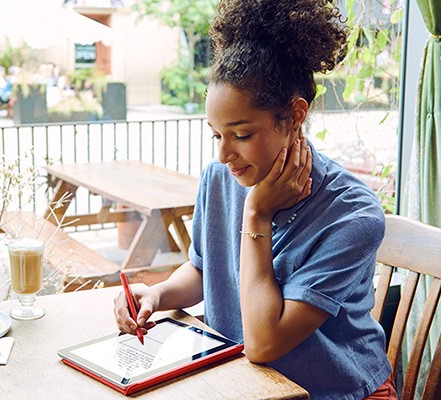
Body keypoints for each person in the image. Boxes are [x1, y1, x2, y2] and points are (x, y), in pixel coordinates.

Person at [113, 1, 395, 399]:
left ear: (295, 115)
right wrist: (157, 295)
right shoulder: (221, 178)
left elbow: (263, 343)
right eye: (217, 135)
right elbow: (205, 271)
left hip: (336, 391)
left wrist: (257, 213)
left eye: (241, 135)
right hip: (244, 383)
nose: (223, 156)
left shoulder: (351, 214)